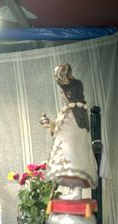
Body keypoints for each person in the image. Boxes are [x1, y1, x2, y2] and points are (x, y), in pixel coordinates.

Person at [42, 64, 98, 197]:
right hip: (72, 116)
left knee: (74, 153)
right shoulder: (68, 87)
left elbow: (66, 85)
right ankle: (75, 191)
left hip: (76, 118)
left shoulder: (74, 85)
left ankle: (77, 191)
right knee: (67, 153)